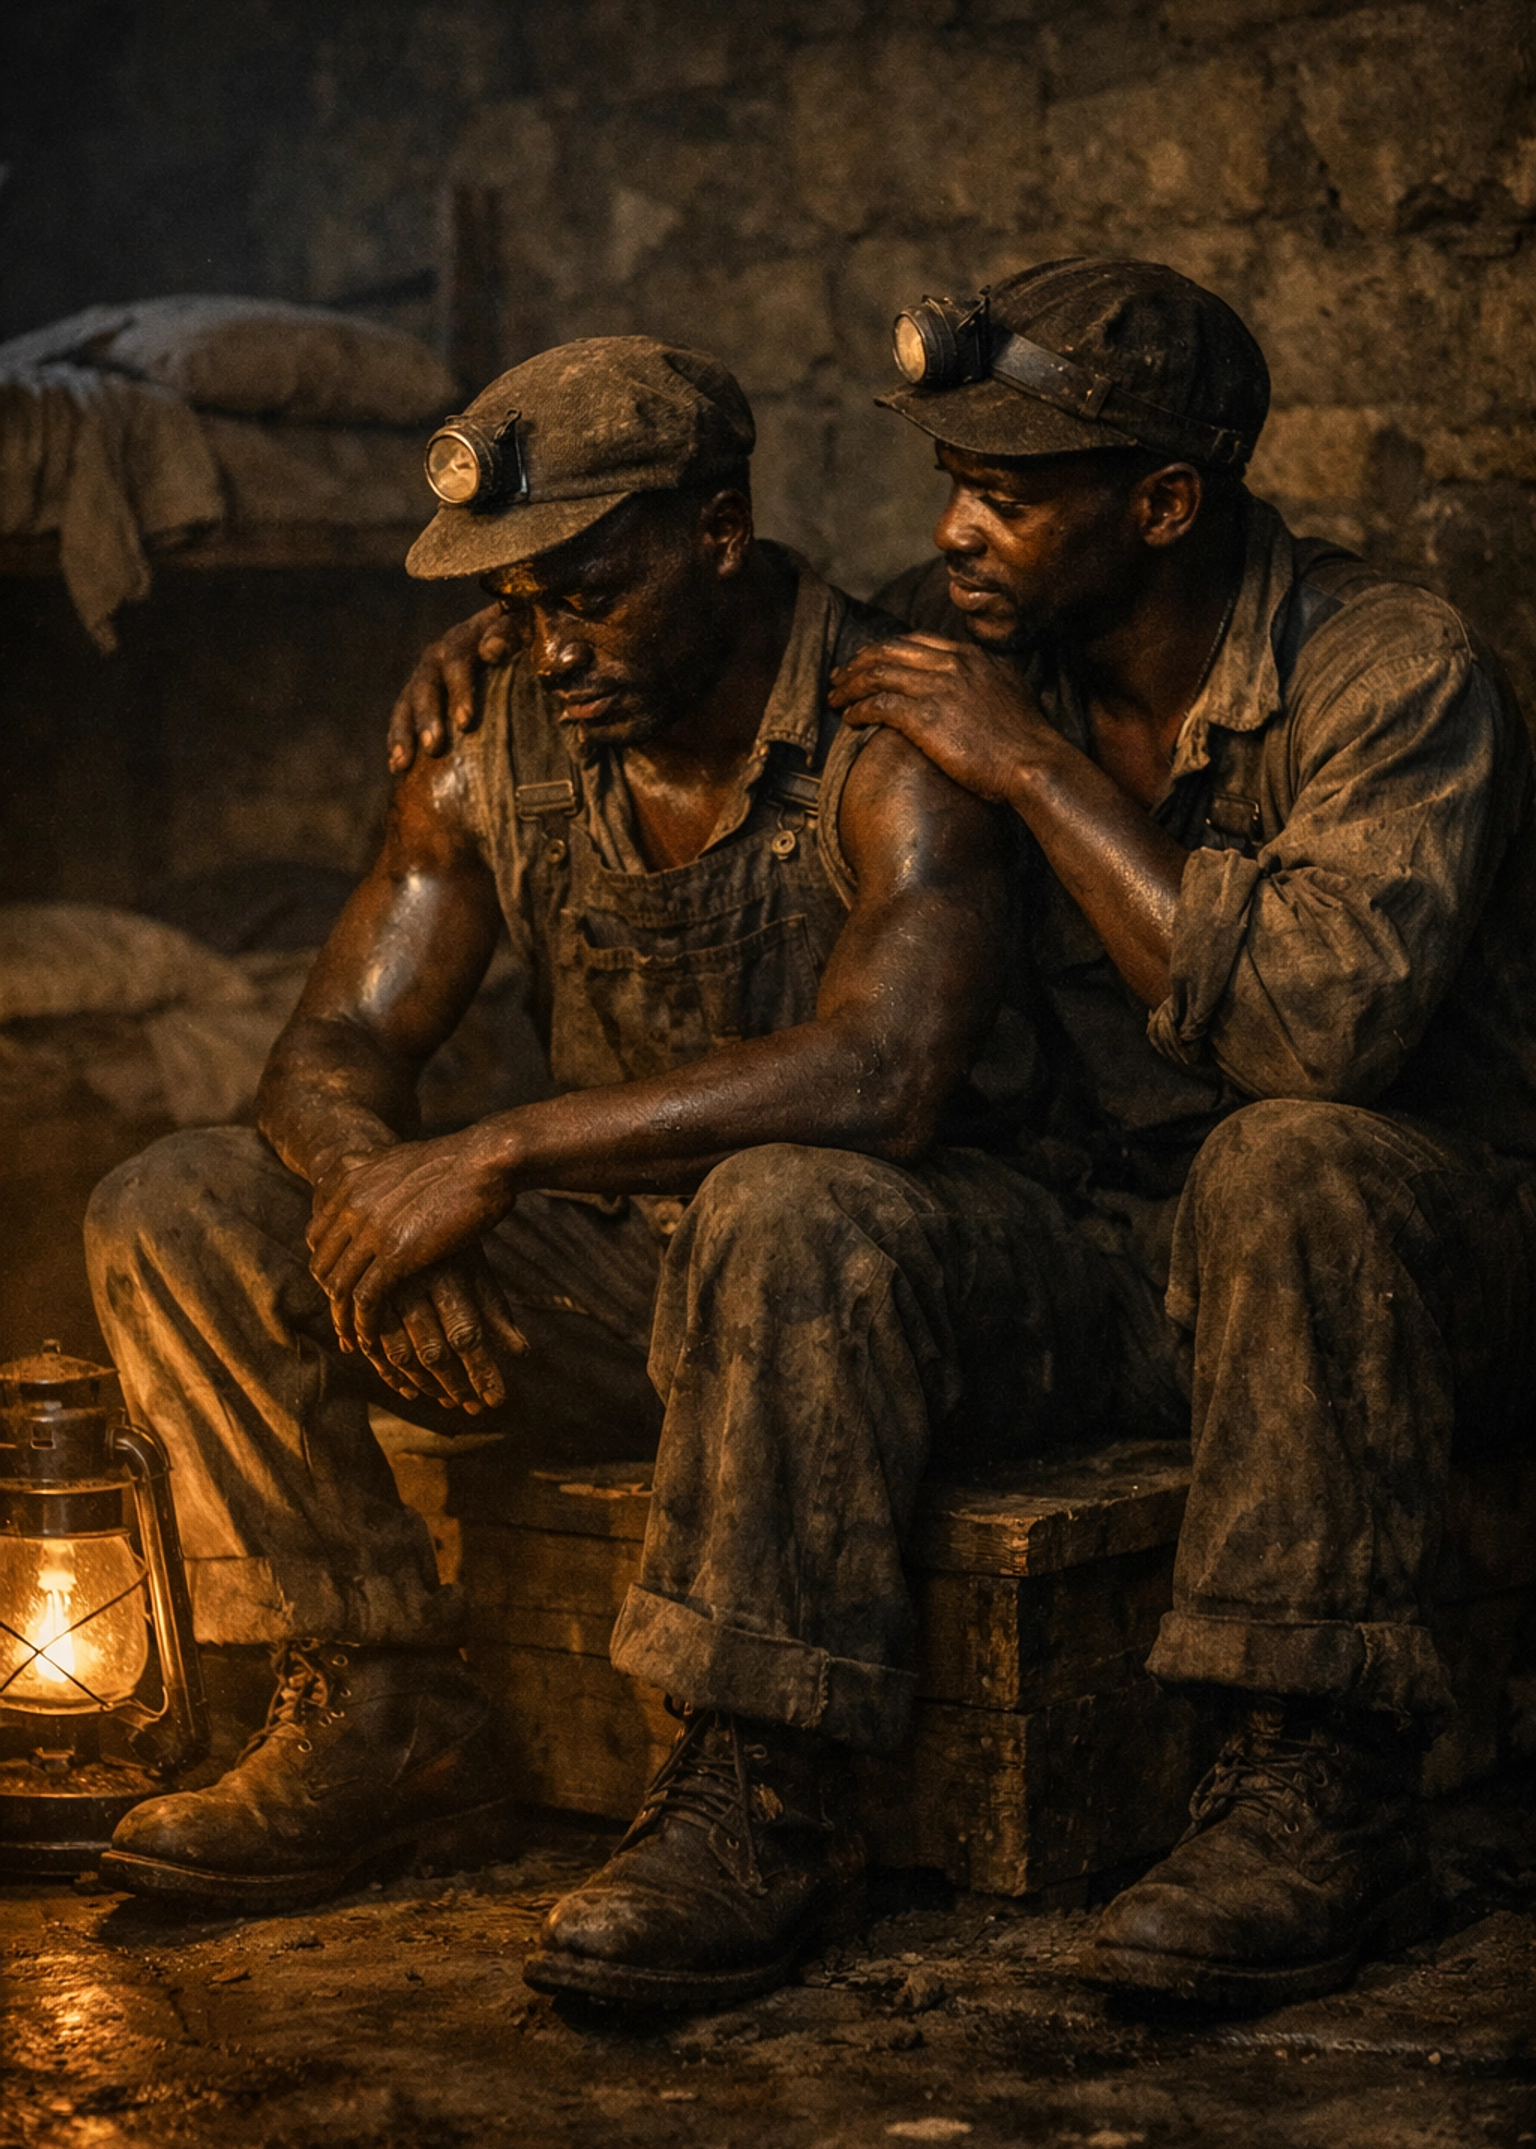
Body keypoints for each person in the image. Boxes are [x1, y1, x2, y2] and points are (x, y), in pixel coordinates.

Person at [391, 261, 1536, 2014]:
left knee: (1292, 1158)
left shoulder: (1390, 668)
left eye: (1004, 495)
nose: (954, 530)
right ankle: (762, 1796)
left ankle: (1321, 1794)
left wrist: (1038, 773)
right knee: (792, 1198)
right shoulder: (976, 630)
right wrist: (533, 618)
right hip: (1104, 1259)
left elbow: (1316, 1036)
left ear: (1164, 506)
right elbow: (740, 620)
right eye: (953, 486)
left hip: (1406, 1269)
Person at [87, 333, 1052, 2006]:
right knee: (171, 1202)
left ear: (722, 532)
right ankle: (384, 1706)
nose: (549, 647)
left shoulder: (893, 726)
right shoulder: (496, 734)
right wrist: (377, 1195)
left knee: (781, 1203)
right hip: (638, 1282)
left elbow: (884, 1075)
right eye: (515, 603)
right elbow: (331, 1047)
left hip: (896, 1284)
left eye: (589, 594)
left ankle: (764, 1788)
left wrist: (497, 1153)